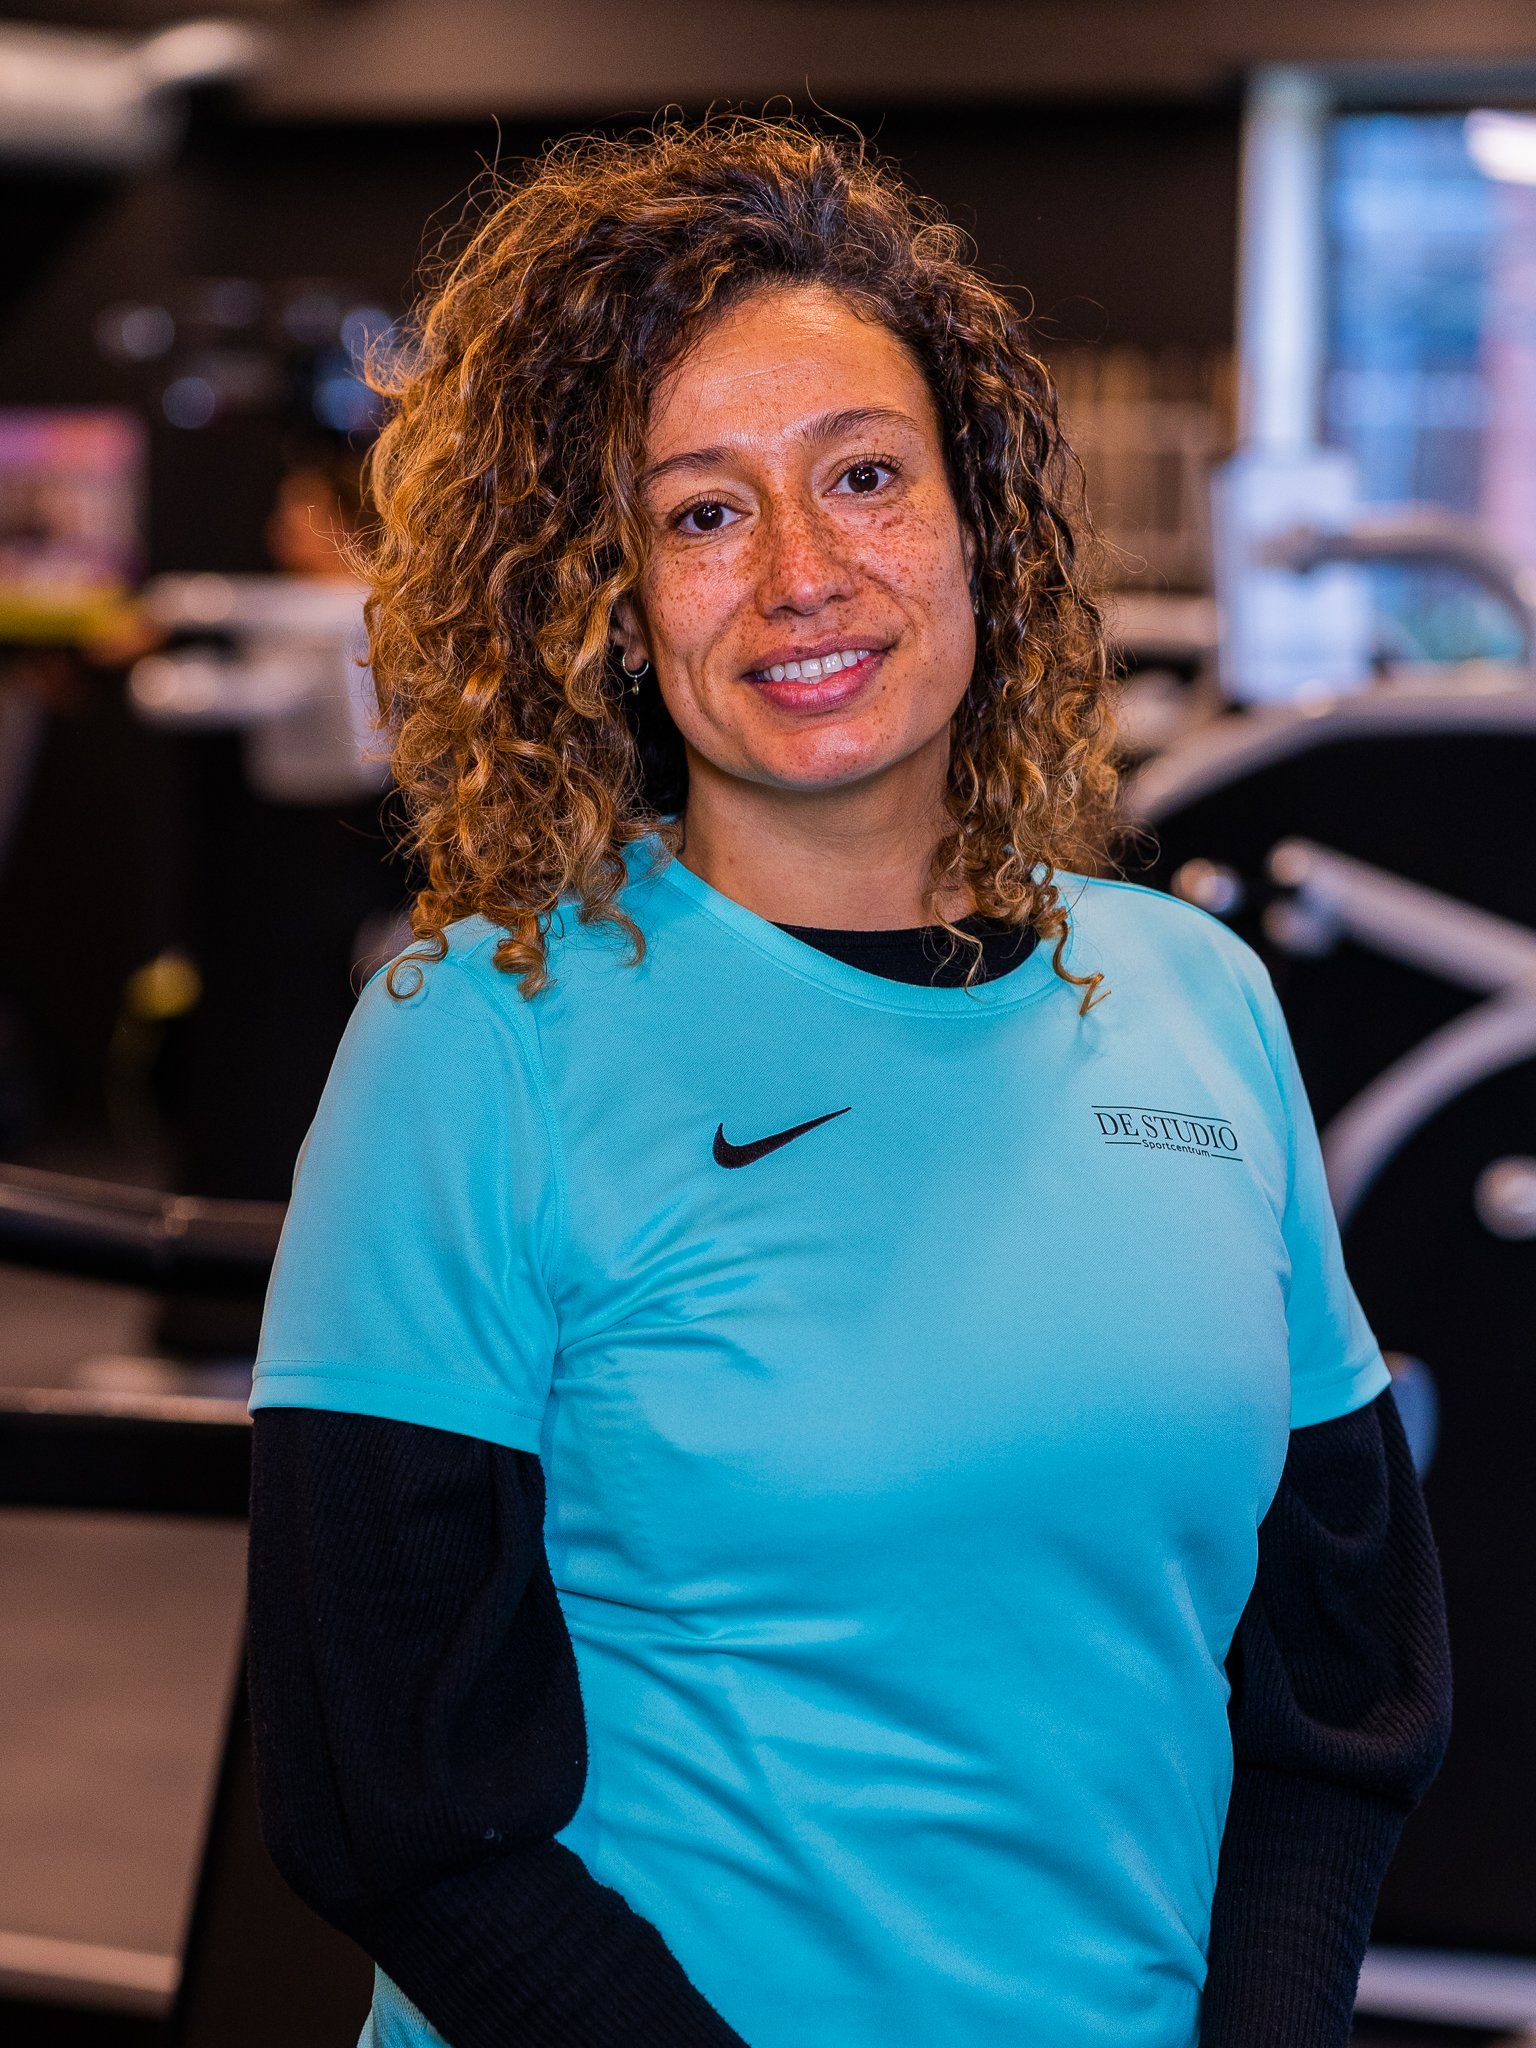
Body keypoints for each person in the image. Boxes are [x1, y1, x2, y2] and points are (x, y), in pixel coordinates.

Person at [244, 115, 1452, 2048]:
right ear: (615, 603)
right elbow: (390, 1804)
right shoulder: (482, 1037)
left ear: (974, 515)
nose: (805, 573)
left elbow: (1346, 1683)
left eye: (865, 478)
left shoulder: (1196, 997)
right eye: (703, 513)